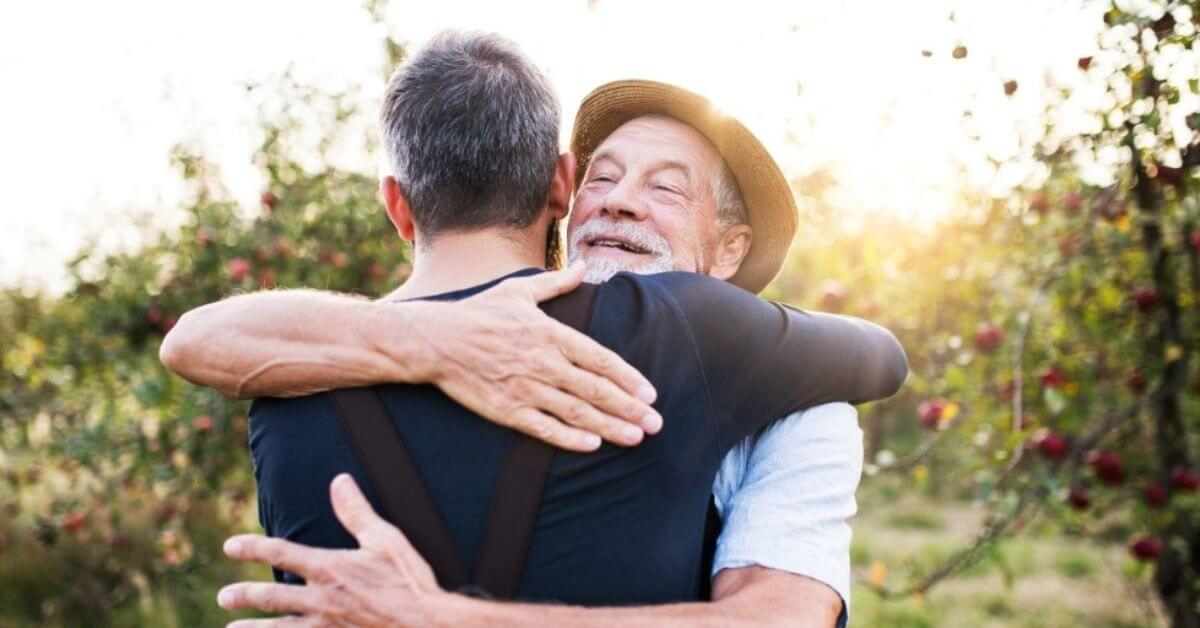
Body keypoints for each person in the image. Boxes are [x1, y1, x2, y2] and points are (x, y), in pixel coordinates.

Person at [161, 31, 906, 626]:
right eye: (602, 178)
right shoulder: (307, 352)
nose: (617, 204)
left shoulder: (287, 387)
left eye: (666, 188)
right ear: (561, 189)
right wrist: (440, 341)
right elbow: (195, 340)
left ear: (397, 204)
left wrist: (440, 618)